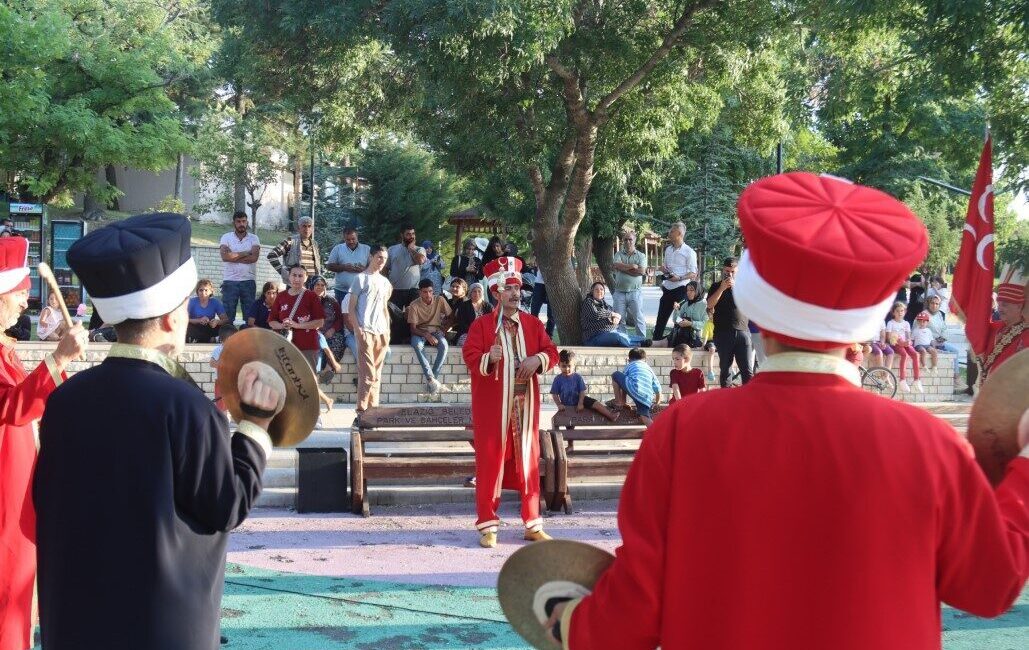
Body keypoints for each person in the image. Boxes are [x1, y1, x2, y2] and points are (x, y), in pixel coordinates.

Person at [543, 171, 1029, 650]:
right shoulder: (929, 443)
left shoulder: (683, 430)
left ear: (758, 306)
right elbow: (991, 585)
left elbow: (632, 615)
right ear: (867, 322)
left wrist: (568, 622)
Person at [34, 213, 284, 650]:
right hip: (161, 628)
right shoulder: (186, 406)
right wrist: (255, 426)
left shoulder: (64, 400)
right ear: (172, 319)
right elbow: (227, 505)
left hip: (75, 623)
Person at [0, 236, 87, 650]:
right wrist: (59, 359)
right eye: (18, 294)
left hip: (16, 491)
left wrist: (63, 369)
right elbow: (13, 406)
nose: (24, 303)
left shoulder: (6, 351)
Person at [462, 256, 558, 548]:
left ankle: (532, 524)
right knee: (490, 464)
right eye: (509, 288)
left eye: (518, 288)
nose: (516, 293)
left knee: (529, 464)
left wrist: (537, 360)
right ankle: (488, 526)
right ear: (495, 292)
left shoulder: (532, 324)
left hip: (525, 409)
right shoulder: (480, 327)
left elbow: (552, 352)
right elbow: (469, 356)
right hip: (494, 410)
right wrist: (486, 360)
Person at [350, 245, 393, 413]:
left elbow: (384, 307)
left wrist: (388, 331)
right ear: (371, 256)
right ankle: (362, 411)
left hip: (382, 331)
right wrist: (358, 329)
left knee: (377, 374)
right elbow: (351, 308)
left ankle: (373, 411)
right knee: (368, 373)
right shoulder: (360, 279)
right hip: (365, 330)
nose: (382, 261)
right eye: (379, 257)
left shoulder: (385, 282)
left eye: (385, 258)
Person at [269, 265, 325, 370]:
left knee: (308, 382)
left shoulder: (311, 296)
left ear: (306, 278)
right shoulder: (281, 296)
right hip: (284, 347)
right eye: (294, 275)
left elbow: (320, 322)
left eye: (300, 276)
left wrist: (297, 325)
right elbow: (271, 321)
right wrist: (282, 325)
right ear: (289, 276)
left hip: (307, 347)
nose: (297, 279)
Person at [707, 257, 752, 387]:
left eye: (733, 271)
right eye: (727, 271)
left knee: (747, 371)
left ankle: (750, 403)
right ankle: (726, 404)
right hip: (723, 333)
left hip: (743, 332)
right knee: (725, 370)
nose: (730, 274)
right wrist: (721, 288)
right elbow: (710, 304)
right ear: (723, 270)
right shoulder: (716, 286)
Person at [980, 264, 1027, 379]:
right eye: (999, 303)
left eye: (1005, 304)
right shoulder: (994, 328)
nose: (1000, 308)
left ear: (1019, 306)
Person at [652, 221, 697, 340]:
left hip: (681, 289)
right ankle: (655, 343)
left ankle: (680, 342)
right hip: (667, 288)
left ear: (679, 233)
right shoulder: (668, 250)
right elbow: (667, 269)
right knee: (661, 319)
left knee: (680, 318)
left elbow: (693, 273)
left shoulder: (689, 252)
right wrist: (664, 270)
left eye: (672, 231)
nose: (669, 233)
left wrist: (680, 277)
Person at [407, 278, 452, 392]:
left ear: (433, 291)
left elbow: (452, 317)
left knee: (444, 345)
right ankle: (430, 377)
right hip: (420, 331)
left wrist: (444, 329)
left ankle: (433, 379)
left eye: (430, 291)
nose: (428, 294)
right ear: (420, 292)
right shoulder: (414, 305)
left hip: (436, 331)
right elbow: (413, 329)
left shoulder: (440, 299)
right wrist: (426, 334)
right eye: (425, 292)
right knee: (417, 345)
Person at [218, 211, 261, 325]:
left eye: (244, 221)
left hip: (248, 281)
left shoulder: (254, 238)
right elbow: (225, 256)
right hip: (230, 281)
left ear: (247, 222)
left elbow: (254, 258)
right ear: (234, 223)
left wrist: (234, 256)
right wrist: (246, 252)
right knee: (228, 316)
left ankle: (249, 341)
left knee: (250, 316)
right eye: (238, 221)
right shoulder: (226, 237)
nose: (241, 224)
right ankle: (227, 340)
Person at [551, 349, 617, 421]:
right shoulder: (558, 379)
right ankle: (570, 431)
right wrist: (559, 404)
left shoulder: (577, 377)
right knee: (569, 423)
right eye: (564, 366)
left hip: (580, 399)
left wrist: (580, 403)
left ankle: (610, 415)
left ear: (574, 365)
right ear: (559, 365)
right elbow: (554, 394)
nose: (567, 369)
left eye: (569, 366)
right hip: (566, 403)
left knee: (595, 403)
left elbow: (582, 391)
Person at [581, 281, 650, 347]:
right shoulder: (588, 302)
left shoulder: (606, 305)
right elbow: (595, 314)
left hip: (609, 333)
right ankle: (637, 346)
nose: (599, 291)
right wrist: (611, 315)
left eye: (601, 289)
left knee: (628, 336)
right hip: (593, 337)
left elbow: (617, 320)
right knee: (617, 337)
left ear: (604, 292)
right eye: (596, 289)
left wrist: (616, 318)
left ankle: (647, 342)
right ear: (592, 292)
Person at [611, 231, 648, 340]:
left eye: (630, 239)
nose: (628, 241)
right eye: (625, 239)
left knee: (638, 318)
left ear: (634, 240)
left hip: (635, 292)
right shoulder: (618, 254)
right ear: (623, 241)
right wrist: (632, 266)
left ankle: (642, 341)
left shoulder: (641, 256)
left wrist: (622, 269)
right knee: (619, 319)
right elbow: (616, 265)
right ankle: (622, 340)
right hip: (619, 292)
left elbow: (641, 271)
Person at [611, 347, 661, 427]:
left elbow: (624, 384)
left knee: (615, 375)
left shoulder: (630, 365)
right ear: (645, 360)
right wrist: (657, 402)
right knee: (645, 417)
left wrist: (623, 402)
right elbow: (658, 388)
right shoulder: (649, 369)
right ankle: (658, 433)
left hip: (634, 388)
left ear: (629, 360)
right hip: (647, 397)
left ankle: (618, 402)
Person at [266, 216, 322, 283]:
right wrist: (284, 273)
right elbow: (272, 255)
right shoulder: (290, 241)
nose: (307, 229)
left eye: (309, 226)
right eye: (304, 226)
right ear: (298, 228)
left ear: (312, 229)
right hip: (295, 283)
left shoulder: (315, 244)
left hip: (312, 283)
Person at [310, 276, 345, 380]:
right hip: (312, 332)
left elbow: (339, 318)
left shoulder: (331, 300)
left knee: (338, 340)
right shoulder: (306, 300)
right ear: (312, 286)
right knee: (317, 346)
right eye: (317, 285)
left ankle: (328, 370)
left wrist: (333, 329)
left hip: (329, 332)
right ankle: (316, 374)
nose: (320, 287)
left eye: (322, 285)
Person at [385, 225, 427, 309]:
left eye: (413, 234)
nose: (411, 236)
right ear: (402, 235)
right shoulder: (392, 249)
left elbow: (421, 261)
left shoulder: (419, 249)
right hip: (395, 290)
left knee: (413, 319)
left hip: (413, 290)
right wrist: (386, 284)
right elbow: (385, 268)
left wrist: (411, 248)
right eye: (408, 234)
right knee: (395, 318)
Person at [886, 301, 923, 393]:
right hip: (895, 343)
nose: (900, 313)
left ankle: (917, 380)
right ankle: (902, 380)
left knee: (915, 354)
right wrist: (900, 342)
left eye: (902, 311)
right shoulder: (891, 323)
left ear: (905, 312)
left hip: (904, 343)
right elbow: (889, 337)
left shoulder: (906, 323)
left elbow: (908, 336)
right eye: (897, 311)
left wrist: (908, 342)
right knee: (904, 355)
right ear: (893, 312)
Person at [325, 226, 369, 303]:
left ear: (357, 237)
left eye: (353, 239)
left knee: (360, 315)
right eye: (348, 240)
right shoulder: (338, 249)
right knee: (341, 314)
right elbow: (329, 266)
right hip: (342, 291)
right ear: (344, 239)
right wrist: (344, 267)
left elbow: (374, 268)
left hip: (361, 291)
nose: (351, 241)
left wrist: (364, 270)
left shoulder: (367, 249)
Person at [926, 294, 959, 379]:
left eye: (937, 304)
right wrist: (933, 341)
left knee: (955, 351)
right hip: (929, 344)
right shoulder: (923, 315)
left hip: (940, 342)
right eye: (932, 303)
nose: (934, 305)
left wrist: (942, 338)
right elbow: (919, 331)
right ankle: (955, 378)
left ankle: (956, 377)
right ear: (928, 304)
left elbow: (944, 328)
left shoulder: (939, 314)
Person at [186, 279, 227, 343]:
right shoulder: (191, 302)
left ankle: (200, 339)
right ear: (197, 291)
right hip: (195, 327)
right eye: (201, 290)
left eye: (206, 290)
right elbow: (184, 319)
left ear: (211, 291)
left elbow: (225, 319)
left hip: (209, 327)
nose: (203, 293)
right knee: (187, 327)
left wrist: (217, 322)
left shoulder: (215, 302)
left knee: (227, 327)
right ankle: (210, 339)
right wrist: (198, 320)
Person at [456, 282, 492, 346]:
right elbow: (461, 323)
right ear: (470, 293)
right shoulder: (464, 306)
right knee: (467, 344)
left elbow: (491, 322)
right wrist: (474, 332)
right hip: (467, 333)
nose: (477, 293)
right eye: (474, 291)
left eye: (479, 291)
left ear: (482, 292)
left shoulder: (488, 306)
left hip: (484, 333)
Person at [528, 266, 555, 337]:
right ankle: (535, 334)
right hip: (539, 283)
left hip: (553, 283)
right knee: (534, 311)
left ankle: (549, 336)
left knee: (551, 314)